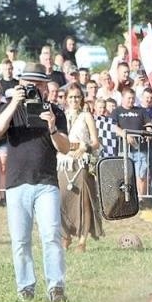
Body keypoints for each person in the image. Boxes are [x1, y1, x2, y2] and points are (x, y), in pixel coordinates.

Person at [0, 69, 71, 302]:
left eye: (38, 85)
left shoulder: (55, 112)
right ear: (19, 85)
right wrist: (14, 103)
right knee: (20, 240)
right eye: (28, 85)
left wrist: (53, 128)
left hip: (46, 182)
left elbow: (65, 148)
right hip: (17, 183)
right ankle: (25, 287)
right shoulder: (11, 108)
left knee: (51, 236)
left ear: (46, 88)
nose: (33, 90)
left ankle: (56, 287)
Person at [59, 85, 104, 251]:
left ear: (81, 99)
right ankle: (65, 235)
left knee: (83, 200)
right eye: (71, 97)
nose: (74, 100)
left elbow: (96, 142)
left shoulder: (86, 116)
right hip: (64, 161)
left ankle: (82, 240)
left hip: (82, 162)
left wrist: (85, 147)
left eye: (77, 97)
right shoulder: (61, 116)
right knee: (62, 198)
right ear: (66, 99)